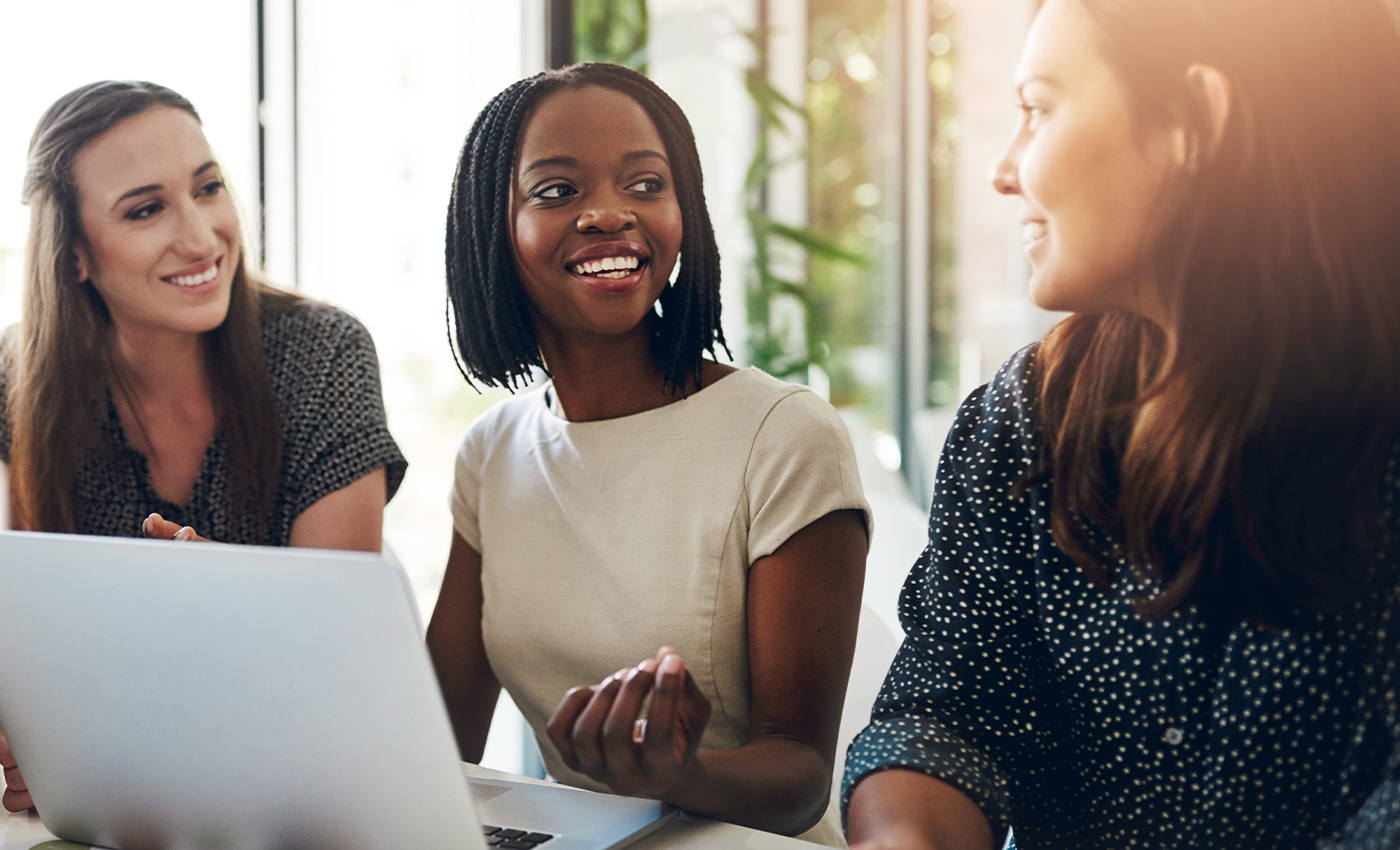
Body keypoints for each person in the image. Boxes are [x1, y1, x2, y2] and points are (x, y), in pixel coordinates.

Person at [841, 0, 1400, 848]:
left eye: (1038, 108)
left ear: (1195, 123)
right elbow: (946, 714)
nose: (1003, 170)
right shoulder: (1026, 420)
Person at [426, 63, 870, 844]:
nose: (608, 213)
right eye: (558, 191)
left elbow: (801, 777)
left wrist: (678, 774)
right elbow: (431, 742)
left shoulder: (784, 435)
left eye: (644, 183)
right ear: (491, 230)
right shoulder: (492, 455)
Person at [0, 80, 407, 812]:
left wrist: (233, 612)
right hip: (113, 812)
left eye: (208, 187)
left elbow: (335, 666)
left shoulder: (324, 355)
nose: (200, 235)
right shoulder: (16, 380)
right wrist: (41, 742)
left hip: (300, 803)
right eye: (146, 209)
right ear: (73, 258)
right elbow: (23, 656)